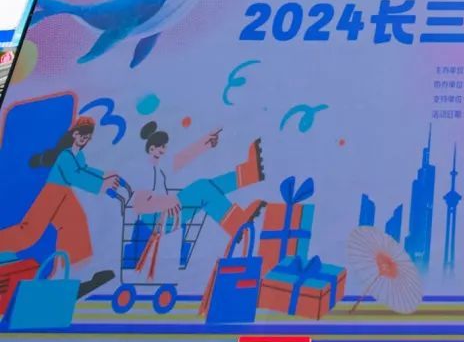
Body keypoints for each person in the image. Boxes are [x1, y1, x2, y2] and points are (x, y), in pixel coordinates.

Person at [0, 115, 117, 298]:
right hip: (53, 192)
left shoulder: (79, 155)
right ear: (74, 134)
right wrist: (100, 185)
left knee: (76, 223)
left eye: (88, 136)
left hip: (64, 194)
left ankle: (76, 275)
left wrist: (104, 174)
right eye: (82, 134)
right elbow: (74, 176)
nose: (84, 138)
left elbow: (84, 169)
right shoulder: (65, 156)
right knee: (29, 232)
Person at [129, 122, 266, 241]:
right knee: (203, 188)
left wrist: (207, 142)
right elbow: (139, 206)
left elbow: (181, 158)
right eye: (161, 147)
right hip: (159, 220)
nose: (164, 150)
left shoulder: (158, 168)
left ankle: (249, 173)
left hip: (167, 211)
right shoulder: (145, 172)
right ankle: (237, 224)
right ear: (151, 149)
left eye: (164, 146)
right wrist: (167, 202)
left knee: (211, 185)